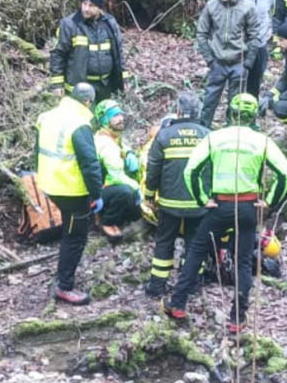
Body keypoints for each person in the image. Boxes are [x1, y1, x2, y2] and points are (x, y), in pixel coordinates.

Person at [165, 93, 287, 333]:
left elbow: (191, 170)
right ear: (255, 114)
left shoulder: (216, 138)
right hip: (247, 207)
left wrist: (202, 199)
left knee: (196, 251)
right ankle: (237, 318)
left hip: (220, 205)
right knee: (243, 261)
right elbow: (285, 174)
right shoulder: (261, 140)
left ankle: (178, 303)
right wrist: (269, 202)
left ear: (230, 113)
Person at [34, 82, 103, 305]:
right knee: (75, 237)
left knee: (69, 230)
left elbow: (38, 151)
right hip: (71, 189)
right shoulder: (80, 124)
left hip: (49, 182)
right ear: (87, 102)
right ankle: (65, 286)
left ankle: (64, 273)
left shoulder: (47, 116)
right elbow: (90, 163)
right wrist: (97, 193)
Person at [142, 91, 209, 298]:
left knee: (164, 242)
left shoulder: (164, 136)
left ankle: (157, 286)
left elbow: (153, 170)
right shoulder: (208, 135)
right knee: (195, 244)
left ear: (178, 111)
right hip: (199, 203)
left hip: (169, 203)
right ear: (198, 111)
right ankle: (192, 284)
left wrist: (149, 195)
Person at [196, 0, 261, 129]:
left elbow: (254, 36)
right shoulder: (212, 6)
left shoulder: (247, 7)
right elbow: (201, 33)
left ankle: (232, 133)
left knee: (236, 103)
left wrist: (248, 64)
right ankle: (202, 131)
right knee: (210, 100)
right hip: (217, 62)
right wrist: (210, 60)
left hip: (239, 62)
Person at [49, 0, 129, 102]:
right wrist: (57, 84)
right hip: (80, 88)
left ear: (100, 8)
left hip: (105, 86)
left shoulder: (110, 24)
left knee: (104, 119)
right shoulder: (69, 25)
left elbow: (118, 53)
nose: (86, 9)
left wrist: (123, 79)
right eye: (84, 4)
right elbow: (58, 55)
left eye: (91, 6)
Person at [93, 98, 142, 239]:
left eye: (120, 114)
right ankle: (107, 221)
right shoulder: (104, 143)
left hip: (108, 187)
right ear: (104, 120)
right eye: (115, 116)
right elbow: (116, 176)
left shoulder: (110, 136)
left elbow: (121, 146)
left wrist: (129, 153)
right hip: (102, 191)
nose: (120, 118)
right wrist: (138, 189)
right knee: (126, 193)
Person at [244, 0, 274, 98]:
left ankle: (252, 104)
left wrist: (270, 31)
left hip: (261, 42)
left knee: (256, 76)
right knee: (240, 76)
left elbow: (275, 14)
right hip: (244, 42)